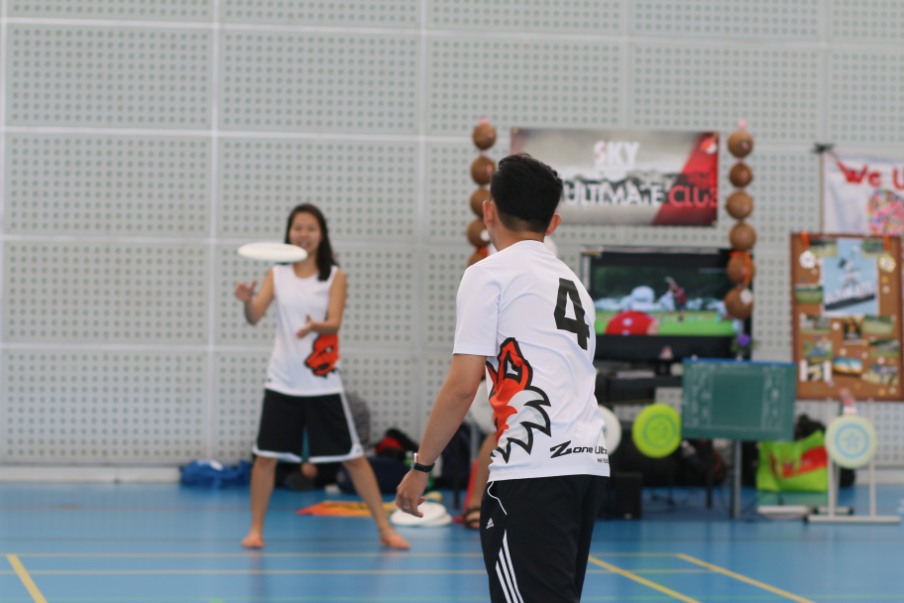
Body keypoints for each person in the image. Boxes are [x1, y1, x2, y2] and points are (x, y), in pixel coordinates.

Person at [396, 154, 609, 602]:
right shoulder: (575, 284)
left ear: (488, 211)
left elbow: (461, 384)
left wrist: (421, 467)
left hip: (532, 474)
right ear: (553, 222)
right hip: (587, 465)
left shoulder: (488, 275)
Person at [235, 203, 409, 551]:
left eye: (311, 228)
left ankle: (384, 529)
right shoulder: (277, 274)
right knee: (265, 458)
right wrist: (247, 300)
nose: (304, 234)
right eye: (298, 228)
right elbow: (254, 316)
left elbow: (334, 322)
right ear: (289, 233)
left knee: (354, 458)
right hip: (282, 382)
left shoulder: (334, 276)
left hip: (322, 383)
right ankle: (255, 530)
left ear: (322, 234)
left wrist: (316, 326)